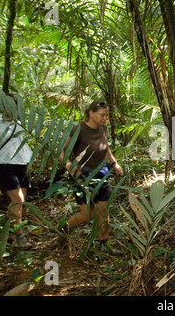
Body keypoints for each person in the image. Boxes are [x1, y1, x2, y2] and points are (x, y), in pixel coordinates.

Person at [58, 100, 123, 255]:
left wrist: (114, 163)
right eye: (101, 115)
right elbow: (61, 151)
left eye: (106, 115)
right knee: (88, 214)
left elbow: (105, 147)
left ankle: (103, 245)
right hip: (82, 175)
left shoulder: (103, 129)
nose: (104, 118)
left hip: (102, 173)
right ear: (91, 113)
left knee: (103, 211)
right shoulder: (78, 130)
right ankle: (64, 228)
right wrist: (68, 165)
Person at [0, 94, 33, 249]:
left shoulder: (20, 122)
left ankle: (7, 231)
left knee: (18, 204)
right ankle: (20, 237)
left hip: (22, 164)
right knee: (18, 200)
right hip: (5, 165)